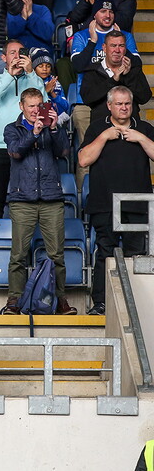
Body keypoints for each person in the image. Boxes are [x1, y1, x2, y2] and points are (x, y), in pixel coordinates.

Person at [78, 87, 154, 316]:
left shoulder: (145, 128)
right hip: (105, 203)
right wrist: (104, 137)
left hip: (138, 203)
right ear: (109, 106)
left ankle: (137, 305)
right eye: (119, 104)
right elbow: (83, 160)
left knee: (136, 256)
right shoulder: (97, 128)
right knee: (105, 254)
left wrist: (140, 138)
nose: (123, 108)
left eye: (127, 104)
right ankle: (101, 303)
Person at [0, 88, 75, 315]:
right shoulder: (13, 129)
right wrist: (33, 132)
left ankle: (61, 301)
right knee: (19, 255)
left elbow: (64, 151)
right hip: (22, 199)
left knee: (57, 255)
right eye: (31, 106)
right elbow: (15, 152)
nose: (35, 110)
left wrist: (52, 128)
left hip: (51, 198)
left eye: (39, 105)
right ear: (21, 106)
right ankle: (14, 301)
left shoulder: (52, 126)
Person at [0, 40, 48, 220]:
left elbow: (45, 103)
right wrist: (9, 76)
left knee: (25, 199)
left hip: (27, 145)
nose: (17, 56)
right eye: (12, 53)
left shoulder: (33, 80)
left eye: (21, 52)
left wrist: (31, 72)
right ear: (4, 57)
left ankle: (22, 245)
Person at [80, 31, 151, 125]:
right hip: (101, 127)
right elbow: (87, 99)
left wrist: (128, 76)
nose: (117, 50)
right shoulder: (93, 70)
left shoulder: (134, 70)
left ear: (125, 48)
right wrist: (113, 80)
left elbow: (144, 98)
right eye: (113, 45)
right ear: (104, 48)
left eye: (121, 46)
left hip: (131, 128)